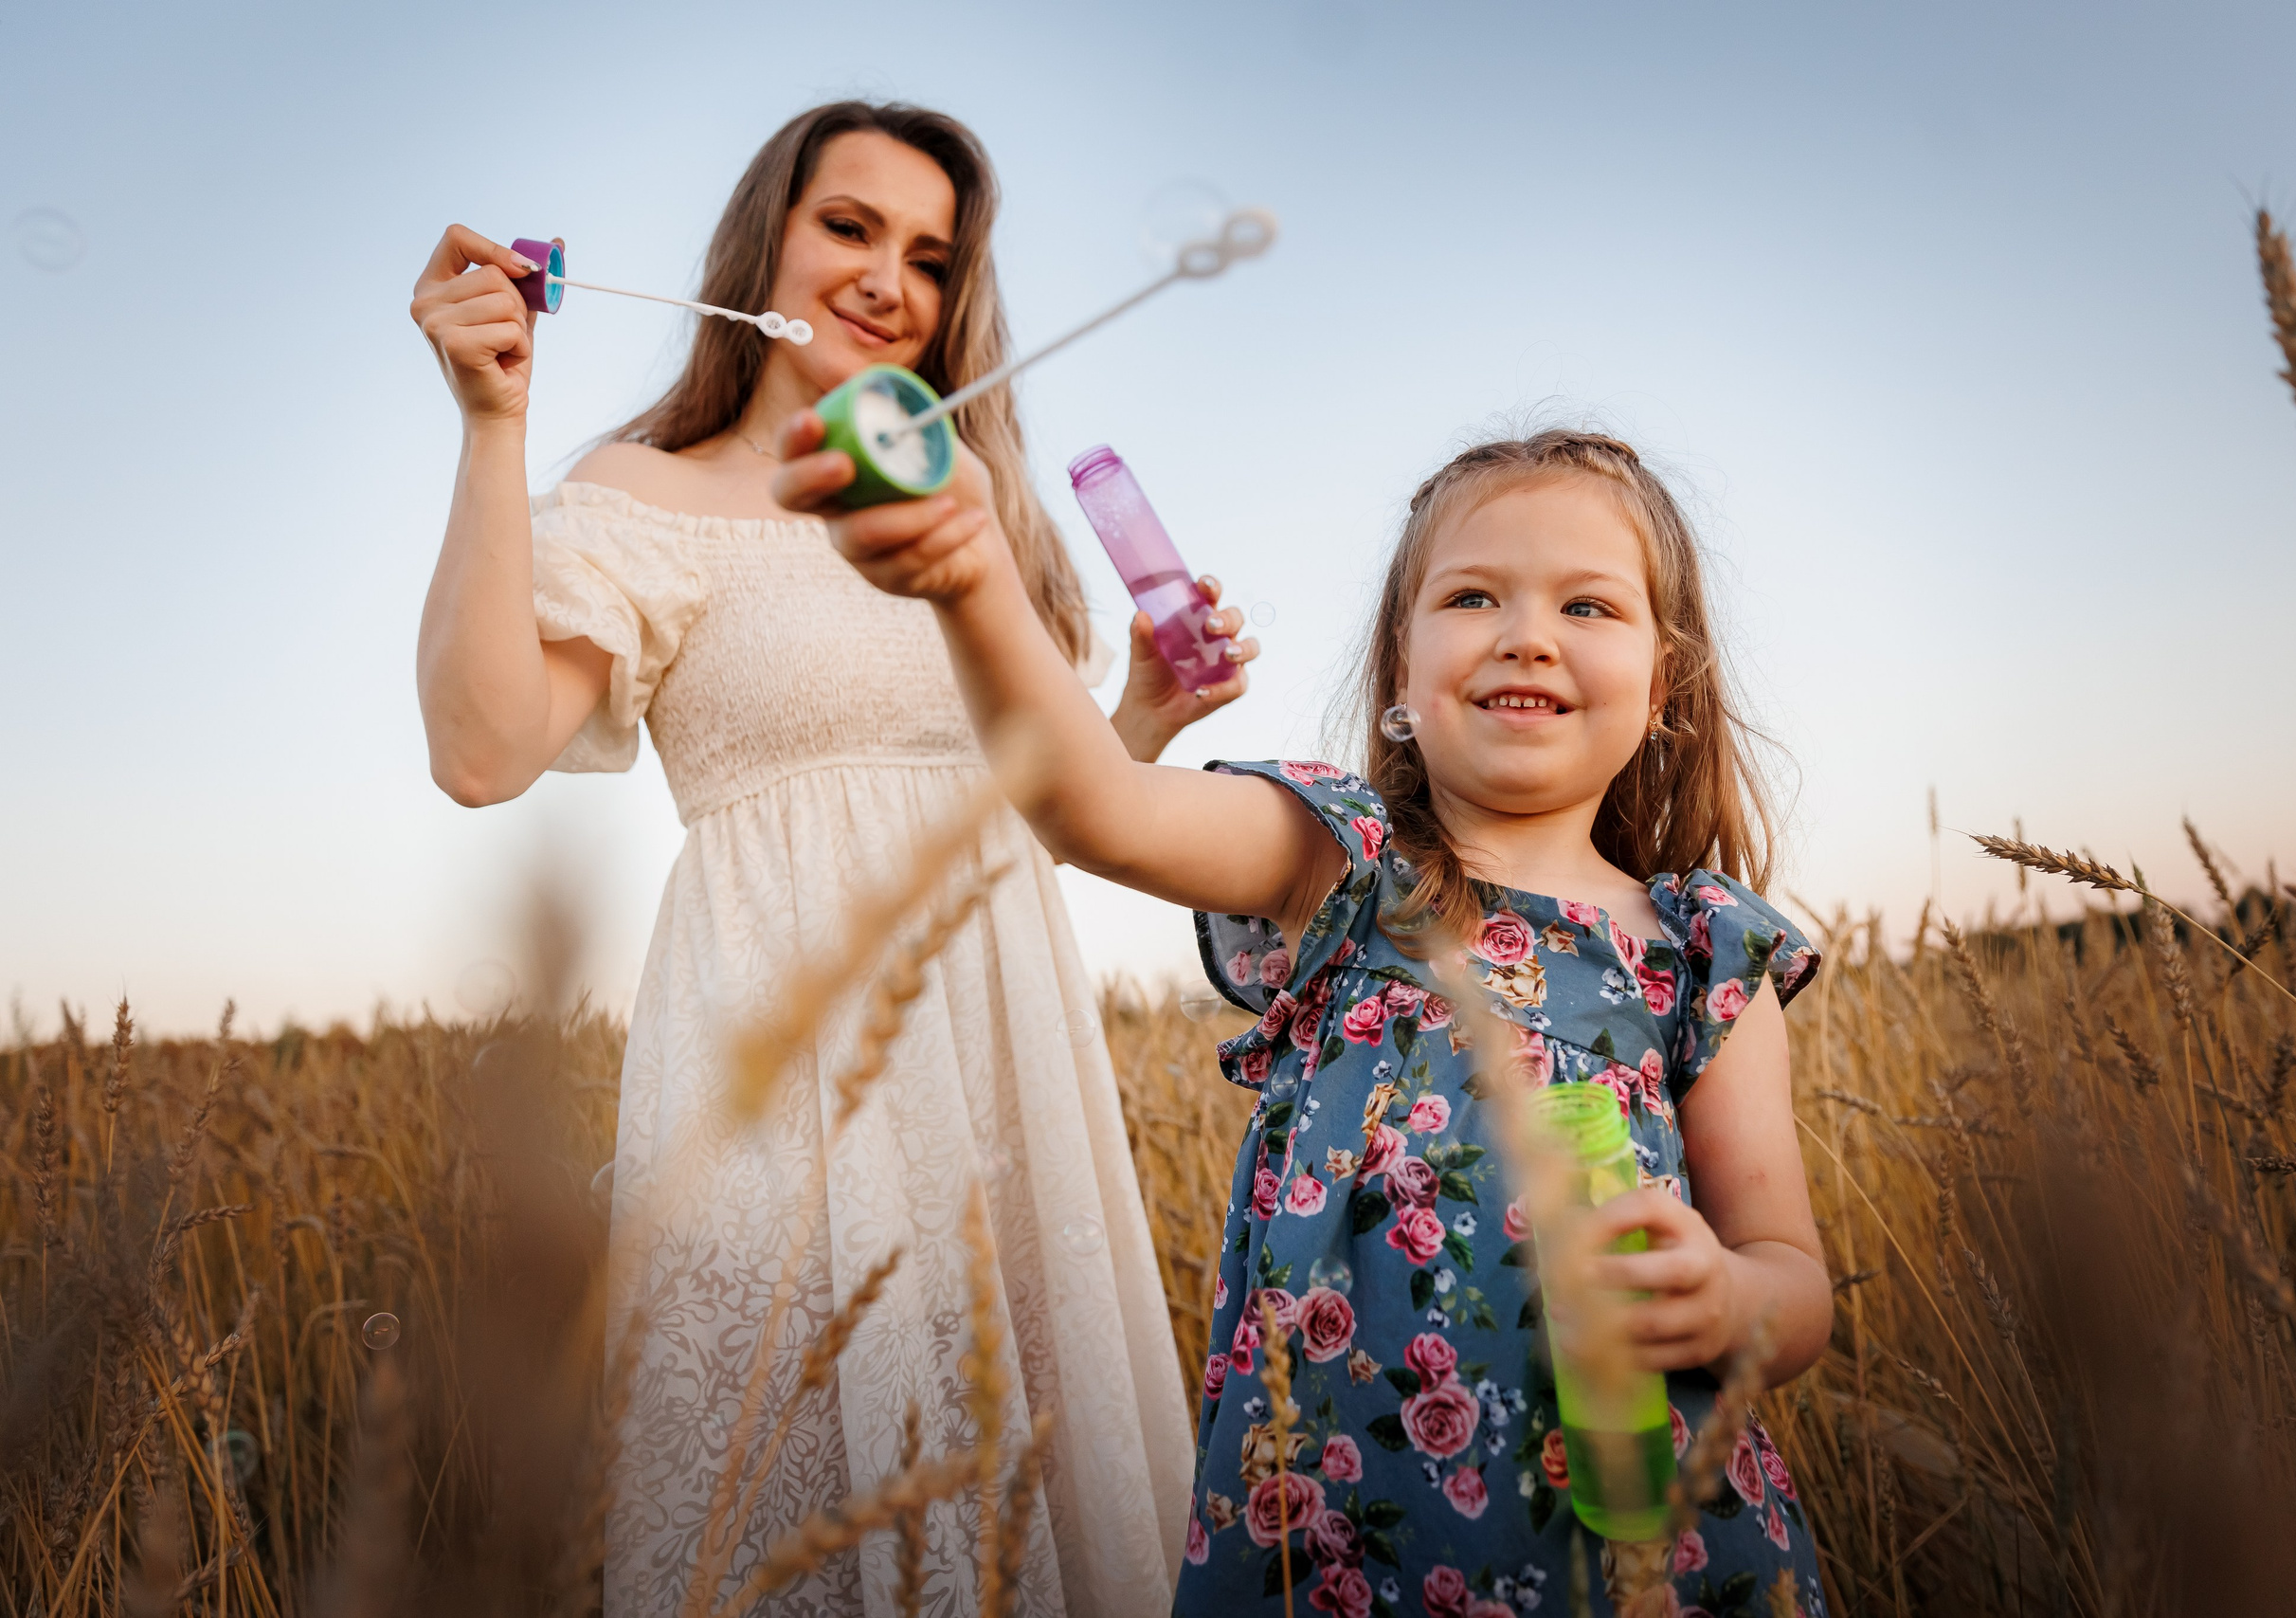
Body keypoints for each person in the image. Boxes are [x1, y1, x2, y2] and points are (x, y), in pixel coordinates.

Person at [407, 101, 1249, 1615]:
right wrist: (492, 428)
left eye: (931, 257)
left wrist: (1135, 716)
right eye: (849, 227)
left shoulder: (969, 505)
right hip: (779, 1067)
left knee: (1023, 1509)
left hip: (1003, 1060)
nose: (887, 280)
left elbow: (1015, 831)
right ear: (767, 243)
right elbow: (479, 749)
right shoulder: (651, 491)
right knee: (798, 1503)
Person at [787, 425, 1832, 1614]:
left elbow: (1791, 1274)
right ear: (1399, 674)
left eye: (1587, 607)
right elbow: (1095, 808)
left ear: (1663, 686)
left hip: (1648, 1539)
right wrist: (972, 575)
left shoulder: (1703, 956)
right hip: (1344, 1543)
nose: (1526, 633)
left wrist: (1732, 1300)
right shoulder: (1346, 866)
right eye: (1473, 595)